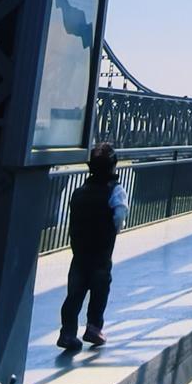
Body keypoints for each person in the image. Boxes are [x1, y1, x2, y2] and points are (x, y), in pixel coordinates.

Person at [57, 141, 128, 355]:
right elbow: (120, 216)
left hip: (79, 253)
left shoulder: (79, 192)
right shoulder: (116, 191)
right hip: (101, 253)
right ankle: (94, 328)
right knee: (99, 290)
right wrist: (113, 229)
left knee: (74, 294)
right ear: (113, 166)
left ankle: (67, 332)